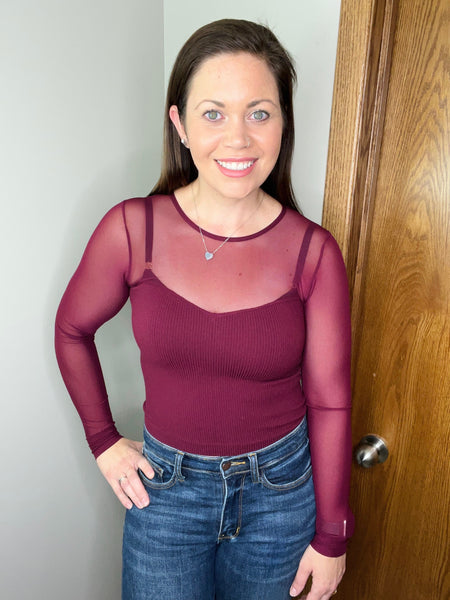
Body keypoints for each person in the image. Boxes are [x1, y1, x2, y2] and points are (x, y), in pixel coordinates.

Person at [55, 19, 354, 600]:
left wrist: (333, 534)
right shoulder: (132, 229)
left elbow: (330, 400)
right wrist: (103, 441)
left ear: (283, 123)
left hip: (281, 499)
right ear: (180, 126)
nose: (238, 138)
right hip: (165, 495)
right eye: (213, 113)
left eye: (259, 113)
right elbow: (71, 330)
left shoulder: (314, 253)